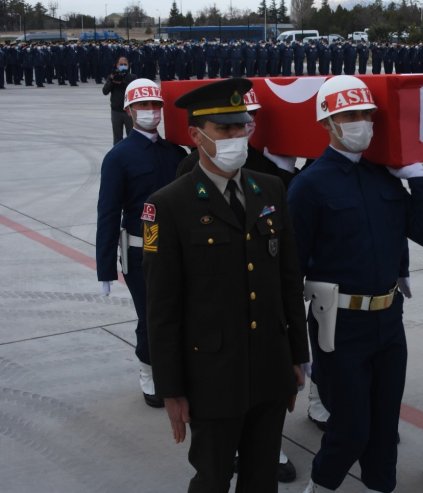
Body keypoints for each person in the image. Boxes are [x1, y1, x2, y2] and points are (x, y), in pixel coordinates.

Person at [143, 78, 309, 493]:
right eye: (225, 129)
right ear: (197, 135)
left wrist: (295, 358)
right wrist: (172, 389)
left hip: (270, 368)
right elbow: (162, 308)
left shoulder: (269, 189)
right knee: (213, 478)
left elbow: (289, 281)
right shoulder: (168, 205)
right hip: (212, 376)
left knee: (262, 477)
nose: (238, 137)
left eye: (242, 127)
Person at [288, 75, 423, 493]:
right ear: (327, 123)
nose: (361, 123)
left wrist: (421, 179)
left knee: (384, 424)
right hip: (338, 325)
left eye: (366, 115)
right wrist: (293, 347)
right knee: (352, 428)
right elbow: (290, 270)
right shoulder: (309, 186)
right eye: (348, 116)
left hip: (389, 320)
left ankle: (379, 486)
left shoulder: (385, 176)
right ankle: (320, 486)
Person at [96, 78, 186, 408]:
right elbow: (107, 212)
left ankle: (175, 371)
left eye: (155, 105)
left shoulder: (176, 152)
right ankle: (148, 370)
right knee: (151, 317)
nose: (150, 111)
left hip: (178, 250)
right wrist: (105, 267)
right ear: (129, 110)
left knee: (180, 314)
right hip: (140, 252)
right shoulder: (118, 157)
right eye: (143, 106)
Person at [102, 56, 137, 145]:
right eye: (121, 64)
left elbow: (134, 92)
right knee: (117, 137)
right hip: (116, 111)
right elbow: (105, 91)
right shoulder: (112, 76)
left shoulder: (133, 77)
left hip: (129, 111)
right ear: (117, 65)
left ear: (128, 65)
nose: (123, 66)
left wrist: (122, 82)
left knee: (132, 136)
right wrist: (111, 81)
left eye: (125, 64)